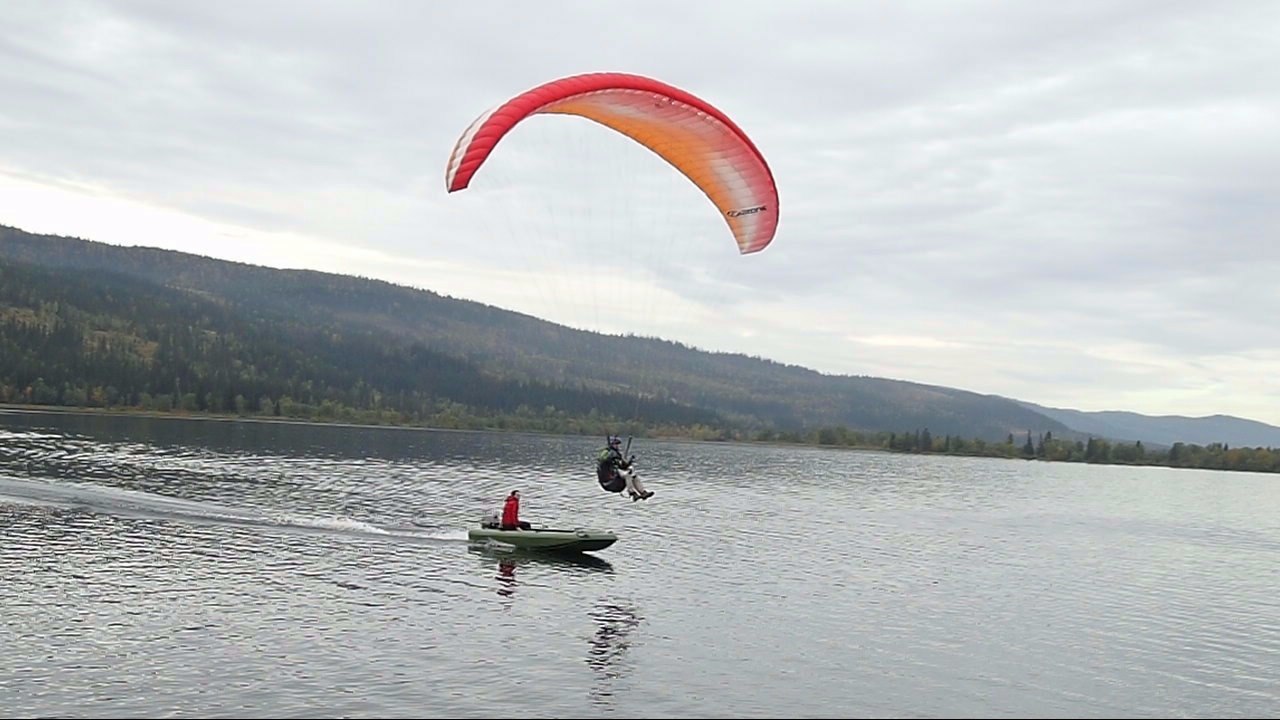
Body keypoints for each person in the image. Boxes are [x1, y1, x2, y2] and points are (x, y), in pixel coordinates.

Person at [596, 436, 653, 501]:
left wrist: (629, 462)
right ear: (611, 444)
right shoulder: (607, 452)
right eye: (615, 444)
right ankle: (632, 493)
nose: (617, 446)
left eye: (618, 444)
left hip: (617, 476)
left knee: (633, 475)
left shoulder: (617, 454)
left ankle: (642, 492)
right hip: (608, 481)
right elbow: (602, 459)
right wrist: (610, 456)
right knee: (627, 475)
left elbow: (622, 466)